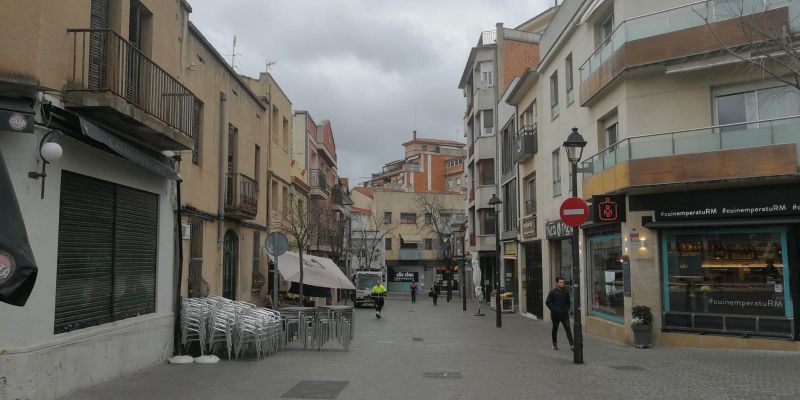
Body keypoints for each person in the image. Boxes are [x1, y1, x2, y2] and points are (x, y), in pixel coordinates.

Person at [545, 276, 574, 351]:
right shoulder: (552, 292)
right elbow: (547, 302)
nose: (562, 284)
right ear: (557, 283)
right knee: (555, 329)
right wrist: (554, 310)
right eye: (560, 282)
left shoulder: (566, 292)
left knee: (568, 328)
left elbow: (568, 302)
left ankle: (572, 345)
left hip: (564, 314)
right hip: (555, 315)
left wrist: (566, 310)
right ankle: (554, 344)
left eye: (563, 282)